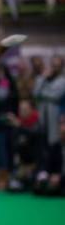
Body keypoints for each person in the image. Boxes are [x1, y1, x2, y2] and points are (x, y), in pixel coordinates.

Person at [33, 56, 65, 195]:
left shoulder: (62, 80)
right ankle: (43, 177)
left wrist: (42, 93)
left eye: (57, 65)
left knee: (55, 148)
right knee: (42, 149)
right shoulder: (42, 79)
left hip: (56, 122)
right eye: (53, 65)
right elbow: (35, 93)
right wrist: (43, 79)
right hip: (43, 121)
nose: (54, 68)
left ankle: (56, 178)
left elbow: (56, 95)